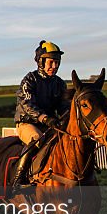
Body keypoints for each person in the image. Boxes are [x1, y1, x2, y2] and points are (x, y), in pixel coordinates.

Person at [10, 40, 67, 188]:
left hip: (49, 124)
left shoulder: (60, 83)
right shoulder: (29, 80)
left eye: (57, 62)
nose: (54, 66)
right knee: (37, 139)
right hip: (28, 123)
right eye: (51, 62)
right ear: (40, 62)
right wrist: (44, 118)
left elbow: (63, 107)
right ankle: (18, 179)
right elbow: (27, 105)